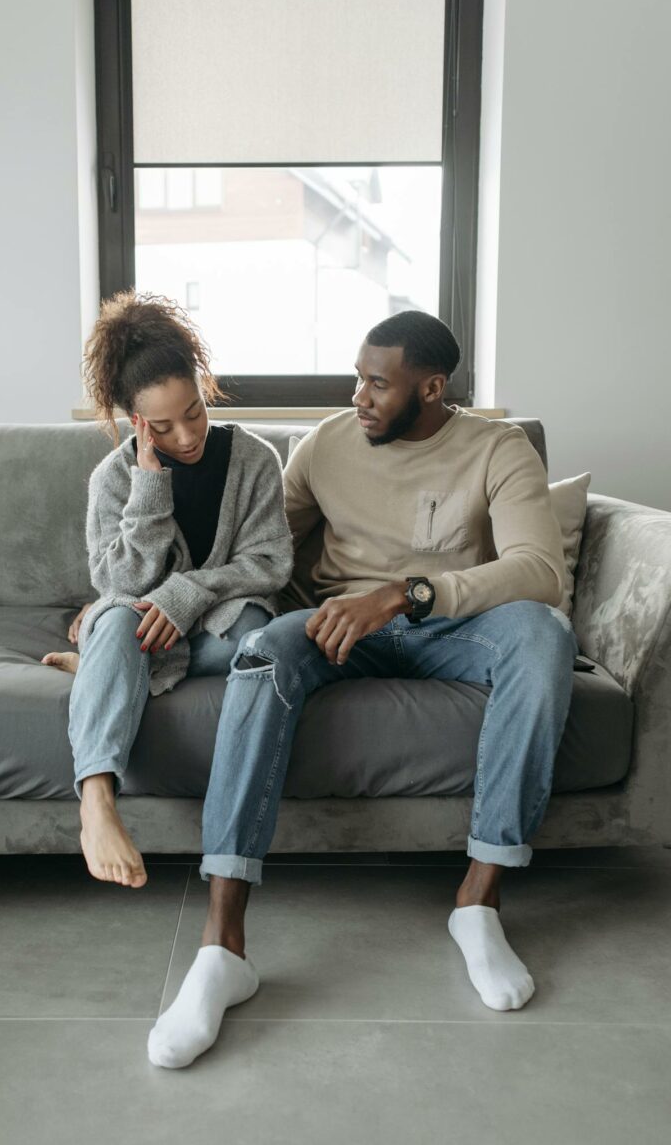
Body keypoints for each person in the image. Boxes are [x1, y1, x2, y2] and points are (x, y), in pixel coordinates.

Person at [146, 310, 578, 1069]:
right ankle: (223, 947)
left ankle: (479, 902)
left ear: (432, 388)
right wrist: (131, 604)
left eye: (378, 384)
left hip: (452, 628)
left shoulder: (497, 449)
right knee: (263, 651)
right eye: (357, 378)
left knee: (544, 634)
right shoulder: (328, 443)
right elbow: (254, 550)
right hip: (334, 626)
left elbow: (540, 571)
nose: (359, 397)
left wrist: (407, 594)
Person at [43, 291, 293, 891]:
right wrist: (150, 491)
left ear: (203, 392)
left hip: (220, 623)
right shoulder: (112, 478)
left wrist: (186, 594)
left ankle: (110, 668)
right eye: (161, 426)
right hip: (140, 622)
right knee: (116, 619)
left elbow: (269, 564)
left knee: (255, 634)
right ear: (136, 422)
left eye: (193, 412)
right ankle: (97, 802)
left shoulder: (254, 460)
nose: (185, 436)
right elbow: (118, 584)